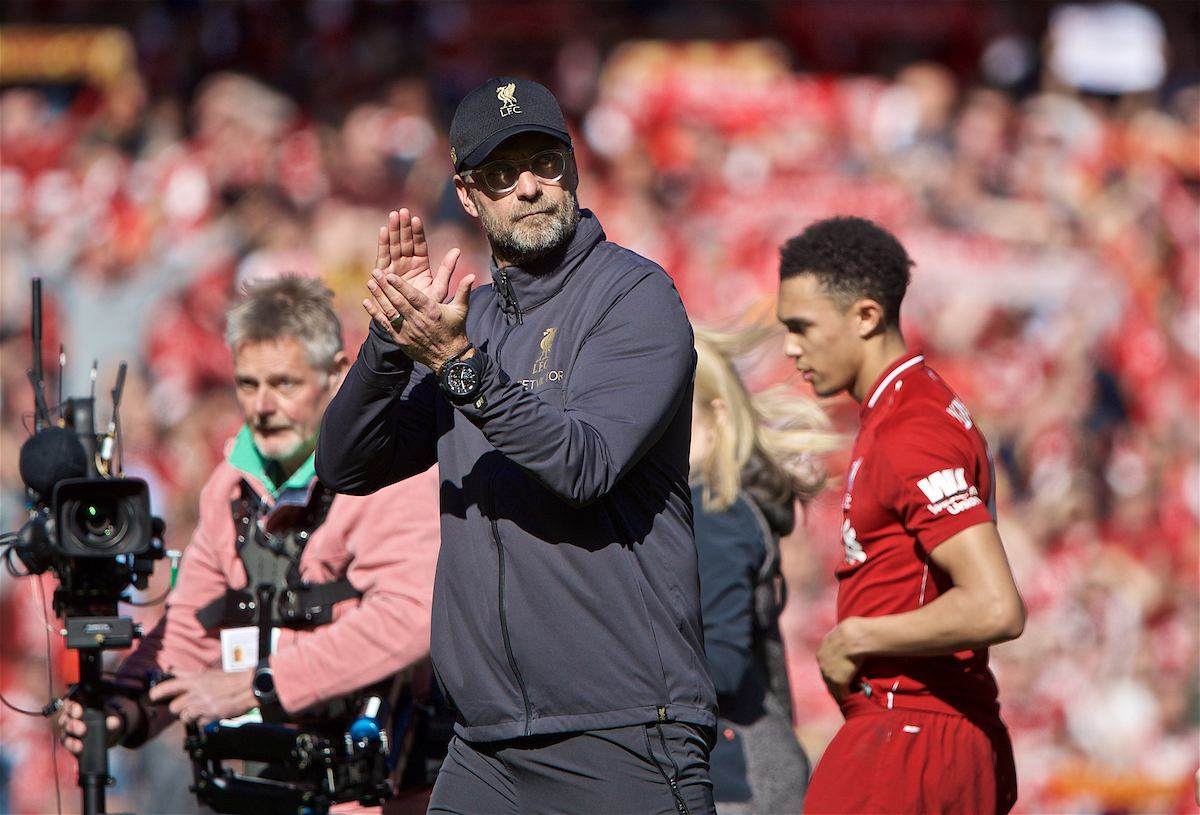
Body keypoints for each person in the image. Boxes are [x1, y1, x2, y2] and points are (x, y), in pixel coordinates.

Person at [315, 76, 718, 814]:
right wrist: (390, 338)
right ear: (469, 196)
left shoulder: (635, 295)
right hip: (487, 742)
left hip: (624, 726)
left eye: (544, 163)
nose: (528, 187)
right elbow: (347, 463)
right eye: (501, 174)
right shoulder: (472, 324)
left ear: (573, 167)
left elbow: (585, 463)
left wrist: (460, 367)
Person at [58, 276, 442, 812]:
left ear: (336, 376)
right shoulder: (228, 490)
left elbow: (411, 619)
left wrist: (259, 686)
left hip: (384, 793)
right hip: (266, 786)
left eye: (284, 383)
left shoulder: (392, 472)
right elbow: (189, 634)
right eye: (247, 383)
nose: (262, 405)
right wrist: (125, 708)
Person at [775, 216, 1025, 815]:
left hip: (912, 732)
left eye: (802, 327)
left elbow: (995, 604)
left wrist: (858, 635)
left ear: (865, 316)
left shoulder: (912, 426)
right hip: (924, 728)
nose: (790, 348)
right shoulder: (904, 411)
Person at [690, 323, 837, 813]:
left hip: (736, 782)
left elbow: (719, 664)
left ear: (716, 419)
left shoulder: (713, 508)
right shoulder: (719, 506)